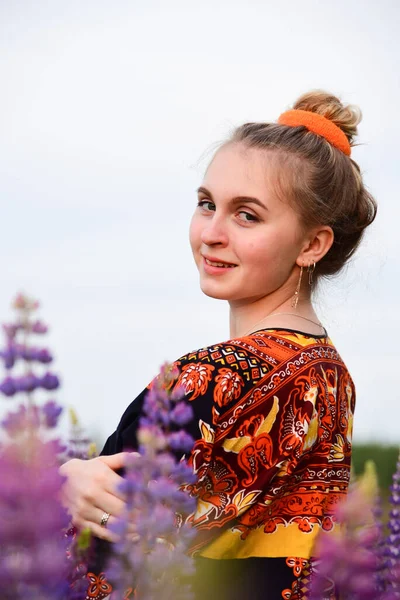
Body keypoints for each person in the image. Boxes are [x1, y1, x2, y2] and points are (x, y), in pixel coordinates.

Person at [60, 90, 377, 599]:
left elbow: (104, 563)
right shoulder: (331, 376)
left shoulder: (209, 377)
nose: (211, 232)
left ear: (311, 244)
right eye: (207, 204)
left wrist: (66, 483)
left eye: (246, 215)